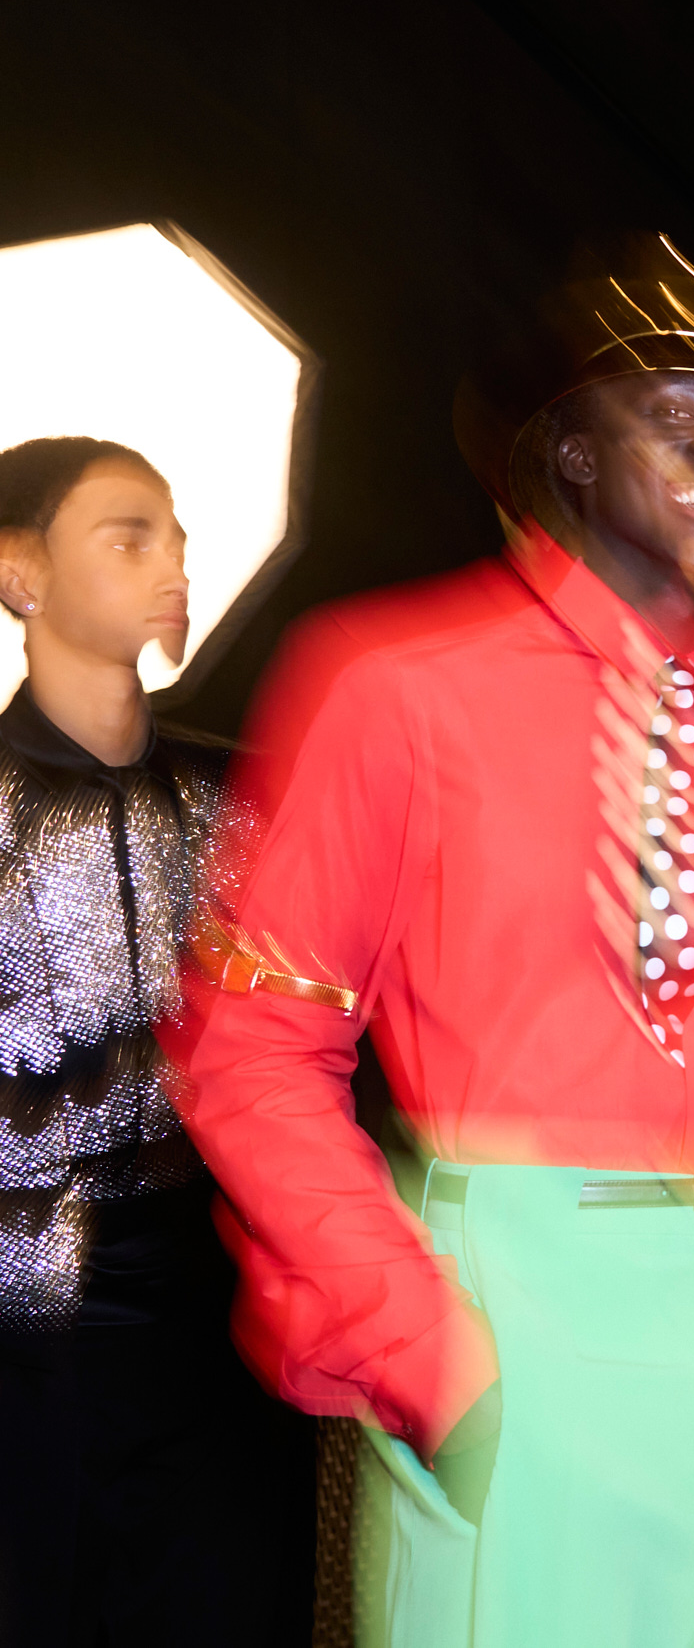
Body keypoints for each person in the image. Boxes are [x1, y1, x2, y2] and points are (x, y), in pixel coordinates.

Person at [170, 242, 694, 1646]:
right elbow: (254, 1048)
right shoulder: (390, 687)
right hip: (510, 1323)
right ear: (566, 449)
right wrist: (427, 1347)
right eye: (672, 406)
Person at [0, 436, 310, 1643]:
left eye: (174, 533)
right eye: (127, 534)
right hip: (35, 1337)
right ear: (21, 575)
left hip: (231, 1314)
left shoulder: (242, 797)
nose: (171, 559)